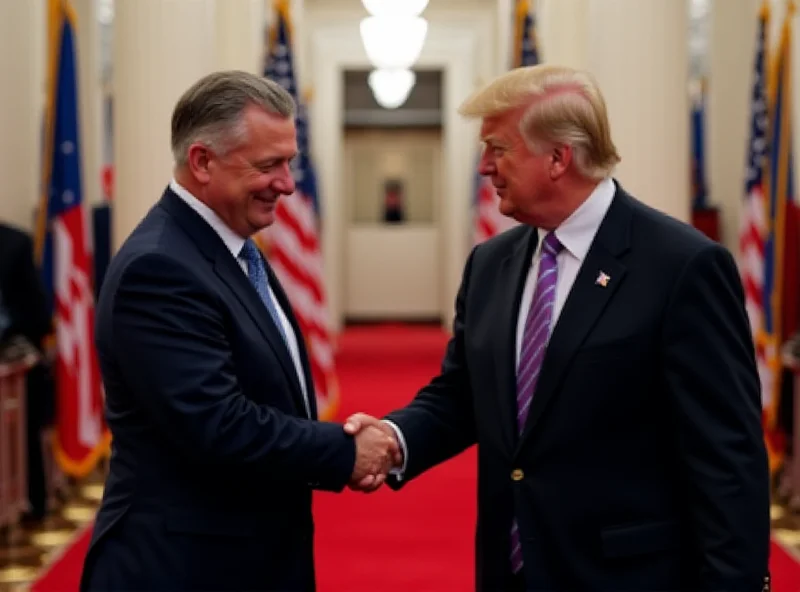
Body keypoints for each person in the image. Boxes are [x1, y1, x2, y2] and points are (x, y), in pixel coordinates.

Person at [345, 64, 772, 590]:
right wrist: (393, 439)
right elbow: (462, 395)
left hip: (630, 576)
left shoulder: (681, 266)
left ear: (557, 158)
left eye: (497, 148)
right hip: (513, 570)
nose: (483, 167)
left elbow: (727, 456)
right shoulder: (490, 265)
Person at [80, 71, 398, 592]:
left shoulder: (232, 247)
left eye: (290, 162)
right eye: (268, 165)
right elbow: (218, 424)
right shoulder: (160, 268)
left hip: (245, 554)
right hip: (182, 566)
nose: (288, 183)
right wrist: (344, 451)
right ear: (203, 161)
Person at [0, 222, 53, 522]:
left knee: (25, 436)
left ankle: (33, 506)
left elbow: (37, 315)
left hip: (17, 364)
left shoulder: (14, 243)